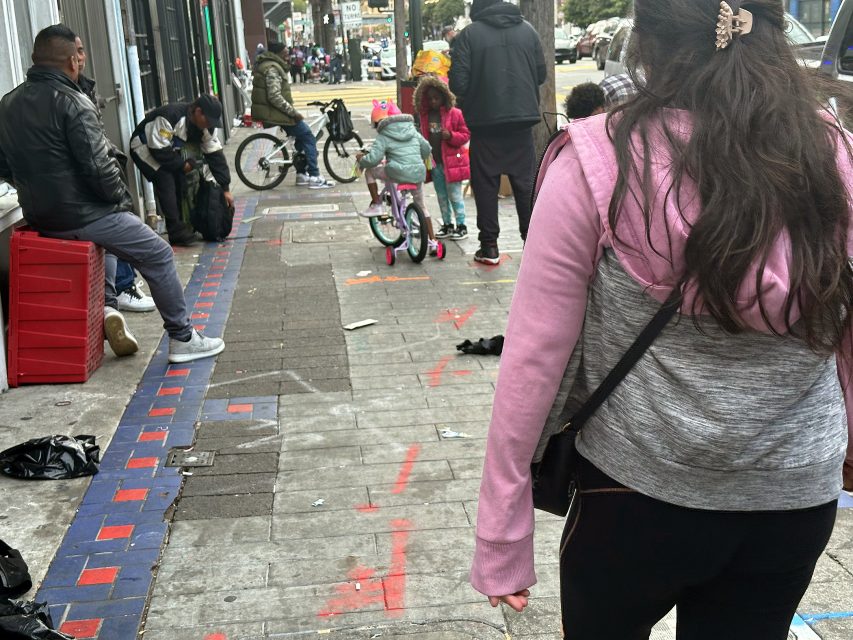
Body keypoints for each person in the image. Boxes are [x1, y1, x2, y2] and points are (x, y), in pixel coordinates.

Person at [471, 0, 853, 636]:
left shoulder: (599, 161)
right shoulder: (834, 154)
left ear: (646, 45)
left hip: (634, 496)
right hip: (792, 497)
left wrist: (501, 536)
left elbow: (535, 356)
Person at [0, 24, 225, 363]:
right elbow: (98, 167)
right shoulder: (73, 102)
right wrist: (120, 201)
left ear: (35, 59)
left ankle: (106, 308)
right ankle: (183, 338)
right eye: (79, 52)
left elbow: (4, 166)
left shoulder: (8, 103)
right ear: (72, 62)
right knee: (158, 253)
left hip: (38, 214)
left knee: (109, 243)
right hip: (82, 213)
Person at [449, 0, 545, 265]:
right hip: (522, 121)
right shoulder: (528, 30)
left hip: (485, 122)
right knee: (525, 184)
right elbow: (541, 74)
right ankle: (532, 244)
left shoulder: (469, 35)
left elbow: (459, 82)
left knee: (486, 184)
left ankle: (489, 246)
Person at [75, 35, 155, 313]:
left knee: (121, 216)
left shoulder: (85, 87)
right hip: (82, 191)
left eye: (83, 50)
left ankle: (118, 291)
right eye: (75, 52)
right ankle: (119, 291)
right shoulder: (64, 97)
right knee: (124, 224)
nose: (80, 57)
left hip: (86, 184)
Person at [129, 94, 234, 246]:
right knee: (165, 179)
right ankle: (175, 230)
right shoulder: (170, 116)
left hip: (167, 149)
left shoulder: (206, 127)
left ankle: (184, 222)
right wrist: (181, 165)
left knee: (181, 180)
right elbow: (158, 150)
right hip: (144, 148)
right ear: (198, 112)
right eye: (208, 120)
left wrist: (226, 188)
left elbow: (215, 156)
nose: (209, 125)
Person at [356, 100, 438, 251]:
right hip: (417, 172)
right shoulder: (413, 130)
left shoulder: (384, 135)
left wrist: (361, 159)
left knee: (369, 172)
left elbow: (374, 159)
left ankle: (376, 205)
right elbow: (426, 148)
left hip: (396, 172)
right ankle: (433, 242)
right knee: (422, 206)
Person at [251, 42, 334, 189]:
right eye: (285, 52)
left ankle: (301, 175)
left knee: (301, 138)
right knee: (308, 136)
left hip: (274, 111)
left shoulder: (269, 65)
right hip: (276, 113)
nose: (287, 55)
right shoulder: (272, 68)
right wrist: (293, 113)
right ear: (277, 53)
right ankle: (314, 176)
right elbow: (274, 96)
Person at [414, 75, 470, 241]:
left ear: (444, 97)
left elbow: (465, 134)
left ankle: (461, 225)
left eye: (436, 98)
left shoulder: (455, 114)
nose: (433, 102)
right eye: (430, 98)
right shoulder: (425, 117)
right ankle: (447, 224)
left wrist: (451, 135)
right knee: (441, 195)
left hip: (452, 163)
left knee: (455, 195)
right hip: (436, 164)